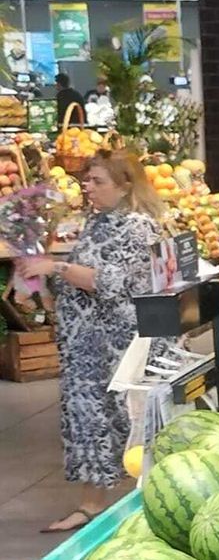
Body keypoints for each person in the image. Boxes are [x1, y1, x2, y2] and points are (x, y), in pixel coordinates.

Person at [13, 150, 167, 533]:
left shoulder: (138, 226)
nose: (88, 187)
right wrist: (38, 279)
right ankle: (91, 505)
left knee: (126, 423)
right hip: (86, 347)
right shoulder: (97, 223)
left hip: (117, 346)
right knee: (89, 424)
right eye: (86, 180)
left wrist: (57, 267)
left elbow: (109, 282)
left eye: (98, 181)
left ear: (125, 185)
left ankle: (151, 505)